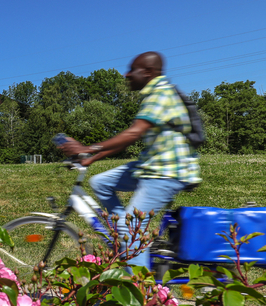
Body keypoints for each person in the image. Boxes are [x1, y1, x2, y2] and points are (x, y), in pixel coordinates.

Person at [57, 52, 200, 267]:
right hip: (150, 167)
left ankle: (137, 290)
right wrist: (91, 158)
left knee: (131, 227)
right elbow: (128, 140)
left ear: (149, 72)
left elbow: (134, 132)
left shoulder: (161, 94)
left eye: (133, 70)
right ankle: (122, 236)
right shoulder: (154, 94)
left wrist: (88, 147)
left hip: (166, 173)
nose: (127, 74)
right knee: (100, 183)